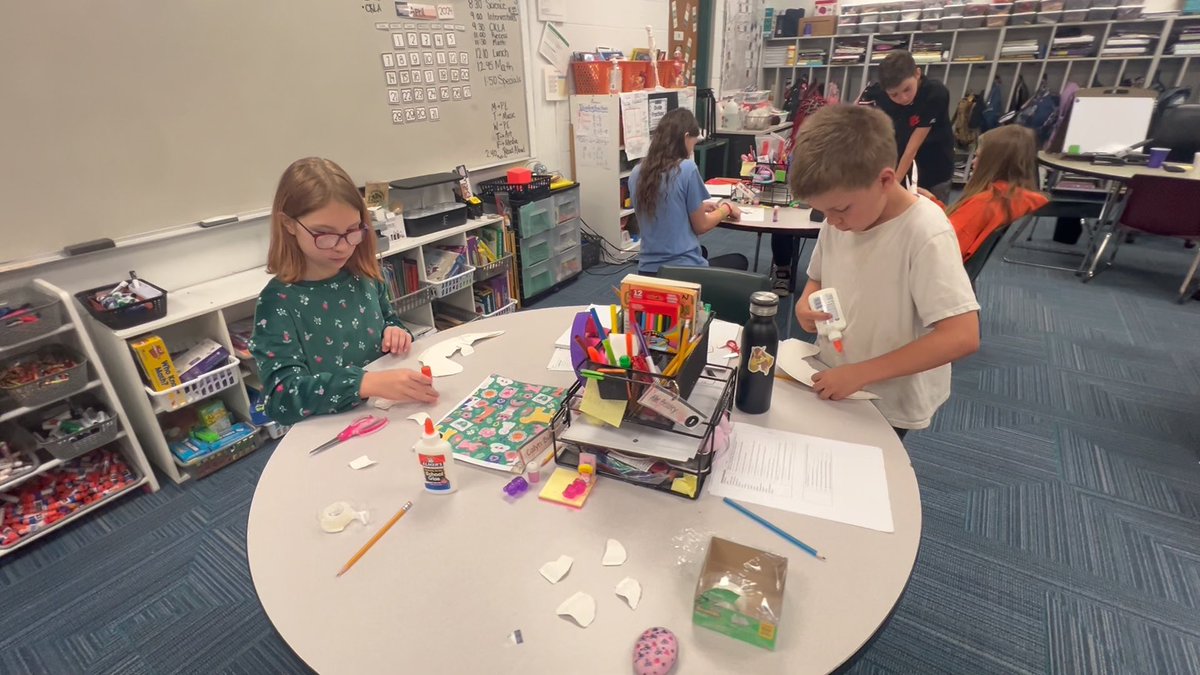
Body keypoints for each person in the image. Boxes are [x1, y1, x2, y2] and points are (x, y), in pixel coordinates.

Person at [789, 105, 981, 438]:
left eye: (839, 210)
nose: (832, 222)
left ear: (885, 180)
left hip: (886, 394)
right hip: (837, 372)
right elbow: (818, 276)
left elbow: (962, 336)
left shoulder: (925, 232)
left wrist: (861, 373)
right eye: (823, 212)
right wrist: (806, 302)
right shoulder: (841, 220)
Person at [251, 157, 438, 425]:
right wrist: (364, 382)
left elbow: (388, 319)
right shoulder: (278, 302)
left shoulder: (364, 274)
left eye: (352, 231)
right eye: (323, 234)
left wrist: (395, 331)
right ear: (288, 225)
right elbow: (281, 398)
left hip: (382, 416)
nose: (342, 246)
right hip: (329, 427)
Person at [629, 108, 747, 275]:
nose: (693, 148)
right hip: (683, 271)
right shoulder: (687, 168)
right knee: (739, 261)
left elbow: (662, 209)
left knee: (703, 251)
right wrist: (726, 209)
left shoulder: (637, 172)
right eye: (694, 141)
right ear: (685, 137)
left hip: (647, 270)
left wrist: (695, 207)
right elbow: (702, 226)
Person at [920, 125, 1048, 262]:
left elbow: (944, 244)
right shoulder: (1009, 198)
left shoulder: (983, 203)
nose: (974, 162)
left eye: (978, 157)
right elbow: (960, 223)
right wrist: (931, 202)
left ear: (992, 163)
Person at [859, 50, 956, 203]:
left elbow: (912, 148)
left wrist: (893, 185)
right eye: (894, 95)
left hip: (935, 165)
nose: (902, 98)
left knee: (932, 214)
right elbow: (853, 117)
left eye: (907, 89)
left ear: (917, 74)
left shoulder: (935, 94)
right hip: (901, 166)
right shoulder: (879, 94)